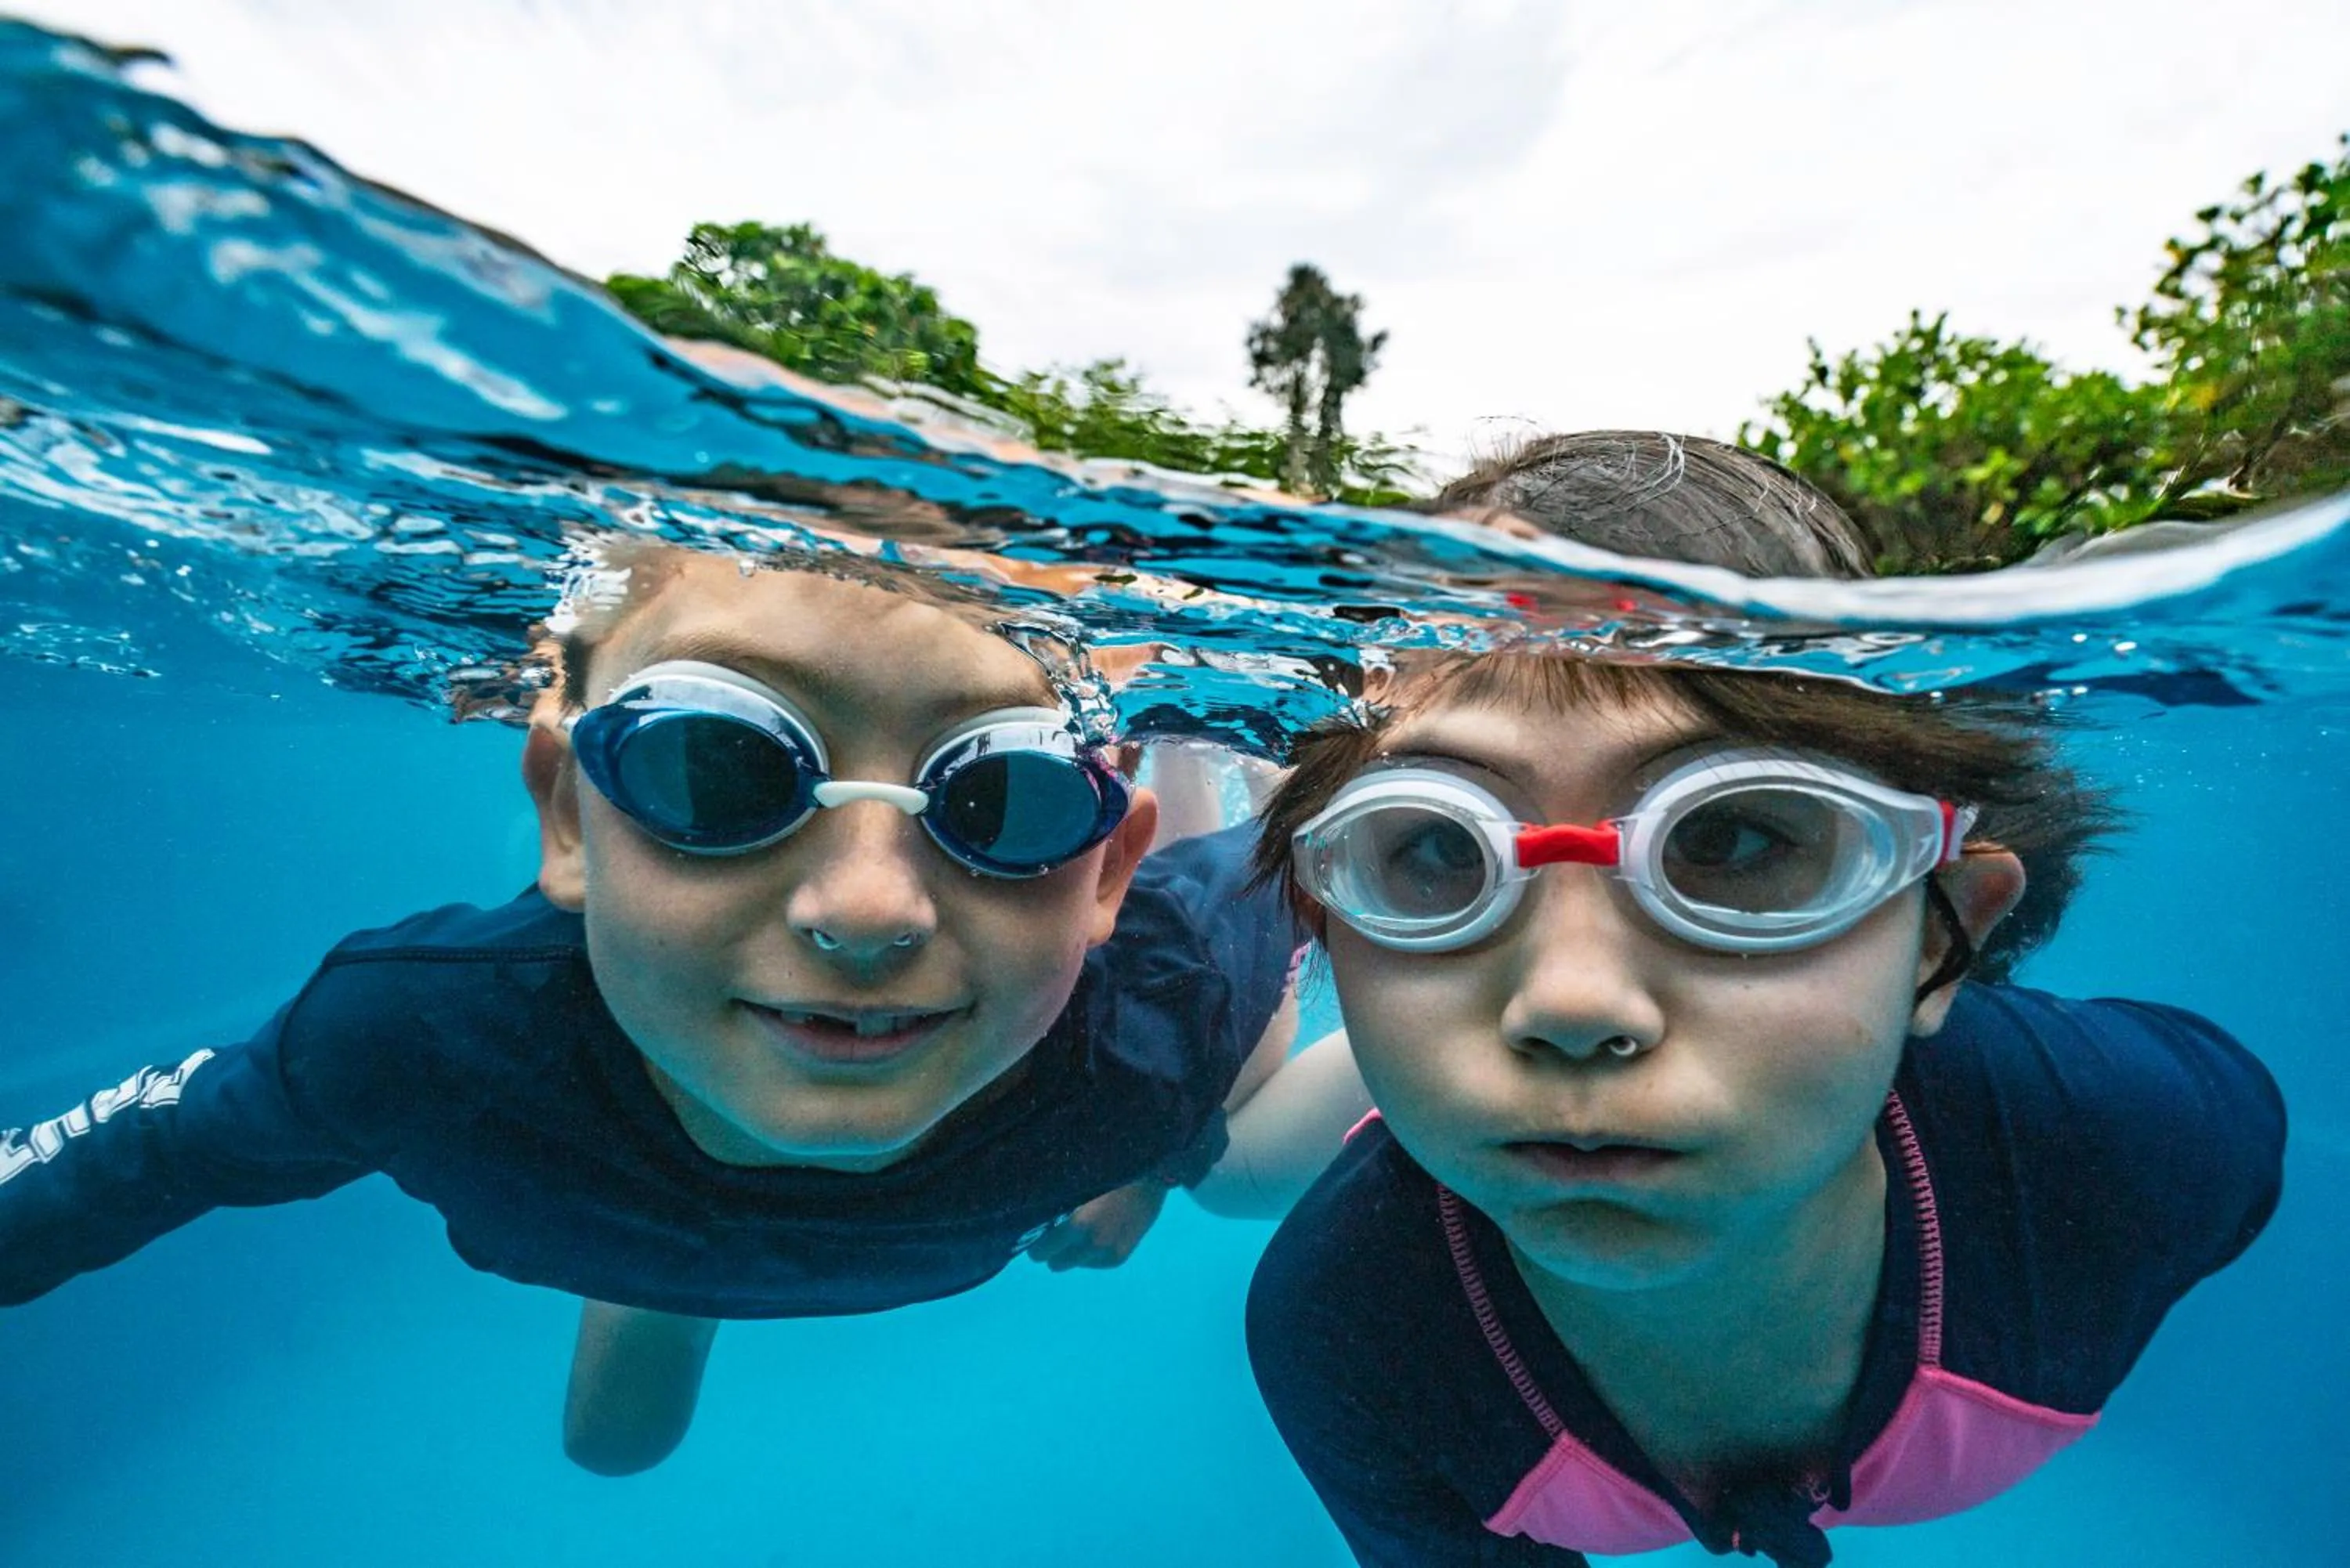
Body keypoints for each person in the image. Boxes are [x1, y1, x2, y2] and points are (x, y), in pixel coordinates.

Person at [0, 540, 1306, 1476]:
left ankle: (697, 1193)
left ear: (1106, 874)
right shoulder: (424, 1037)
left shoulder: (1153, 1027)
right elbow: (132, 1158)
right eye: (720, 767)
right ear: (568, 815)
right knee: (610, 1450)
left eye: (1007, 795)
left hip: (639, 1200)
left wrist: (1162, 1148)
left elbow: (1269, 887)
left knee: (614, 1446)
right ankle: (685, 1224)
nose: (866, 912)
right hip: (618, 1207)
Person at [1242, 432, 2286, 1566]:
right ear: (1325, 919)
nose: (1574, 1000)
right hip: (1405, 1117)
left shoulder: (2138, 1140)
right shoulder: (1343, 1335)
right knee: (1228, 1163)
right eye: (1437, 851)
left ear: (1945, 932)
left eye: (1735, 840)